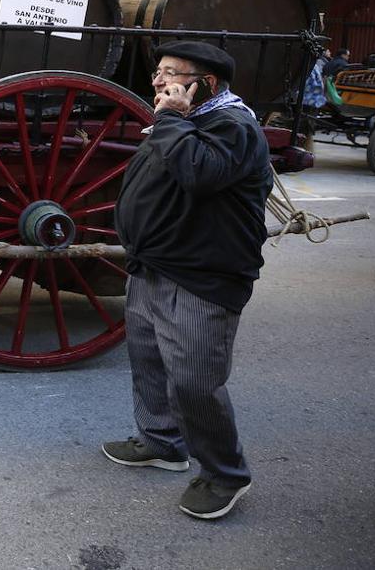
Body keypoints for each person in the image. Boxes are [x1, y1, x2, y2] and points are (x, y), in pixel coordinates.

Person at [104, 41, 273, 521]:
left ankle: (225, 474)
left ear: (208, 85)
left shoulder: (233, 125)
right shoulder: (184, 122)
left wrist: (171, 121)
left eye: (172, 73)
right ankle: (162, 442)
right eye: (158, 71)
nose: (158, 81)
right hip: (155, 265)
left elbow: (199, 173)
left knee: (195, 382)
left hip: (201, 276)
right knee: (150, 360)